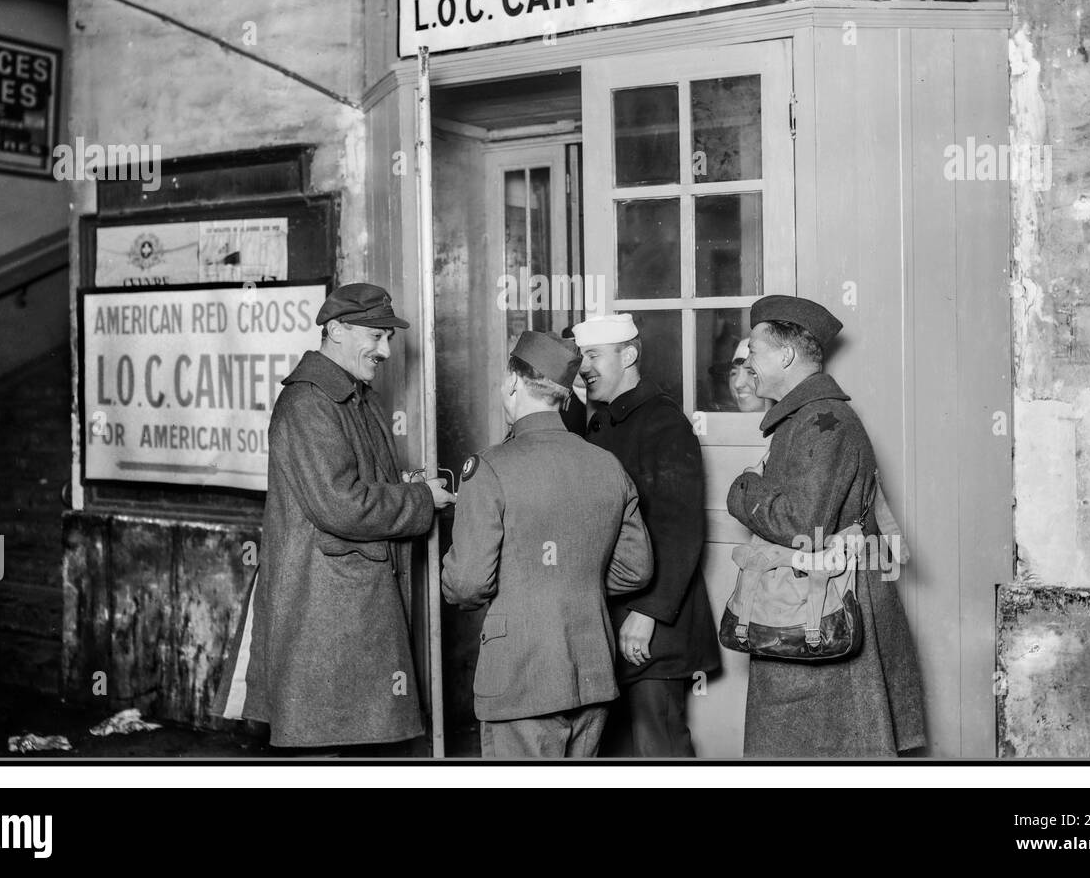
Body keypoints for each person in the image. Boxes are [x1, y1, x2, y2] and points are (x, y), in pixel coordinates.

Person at [229, 282, 455, 750]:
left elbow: (359, 484)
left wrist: (406, 485)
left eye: (388, 337)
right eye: (375, 336)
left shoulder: (353, 396)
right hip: (326, 610)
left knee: (350, 743)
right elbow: (341, 504)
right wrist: (418, 500)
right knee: (331, 743)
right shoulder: (308, 403)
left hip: (345, 607)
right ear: (335, 330)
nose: (386, 350)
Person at [728, 294, 925, 758]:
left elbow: (802, 523)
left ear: (786, 355)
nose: (748, 364)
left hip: (824, 607)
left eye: (754, 352)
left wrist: (744, 490)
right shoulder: (809, 418)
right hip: (815, 605)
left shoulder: (823, 421)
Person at [442, 330, 653, 758]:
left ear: (513, 383)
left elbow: (465, 583)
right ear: (564, 397)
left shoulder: (490, 467)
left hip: (520, 676)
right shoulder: (606, 465)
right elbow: (635, 569)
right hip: (591, 671)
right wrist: (573, 575)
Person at [572, 313, 721, 758]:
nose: (584, 367)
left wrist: (648, 612)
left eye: (594, 355)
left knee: (657, 749)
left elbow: (680, 525)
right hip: (617, 618)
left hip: (651, 624)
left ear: (629, 355)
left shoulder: (662, 422)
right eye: (581, 357)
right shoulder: (604, 420)